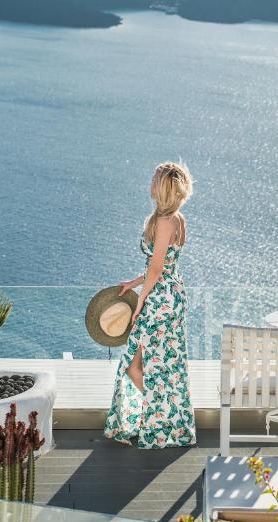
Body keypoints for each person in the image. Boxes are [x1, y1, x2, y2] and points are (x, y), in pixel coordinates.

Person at [104, 162, 196, 448]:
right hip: (172, 295)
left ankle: (162, 419)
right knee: (162, 364)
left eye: (155, 179)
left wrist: (140, 300)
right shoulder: (176, 219)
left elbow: (157, 268)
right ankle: (167, 418)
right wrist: (134, 283)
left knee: (135, 365)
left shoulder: (165, 222)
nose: (150, 182)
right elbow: (165, 266)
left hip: (159, 300)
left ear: (163, 188)